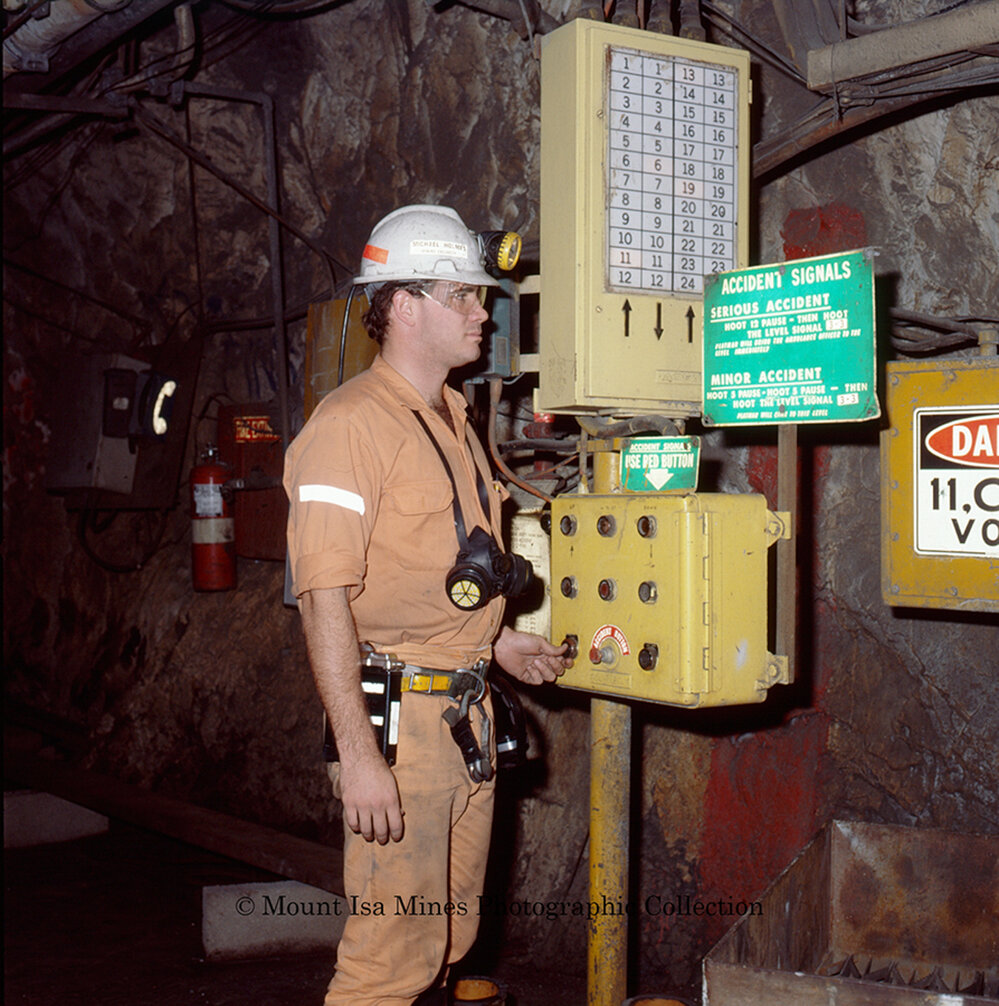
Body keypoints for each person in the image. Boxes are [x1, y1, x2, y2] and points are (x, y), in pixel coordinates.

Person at [284, 204, 571, 1005]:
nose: (484, 311)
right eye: (462, 295)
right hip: (400, 727)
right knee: (389, 960)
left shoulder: (450, 415)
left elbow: (438, 566)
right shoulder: (347, 428)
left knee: (447, 935)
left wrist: (497, 642)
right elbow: (324, 599)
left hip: (461, 710)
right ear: (404, 305)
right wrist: (360, 755)